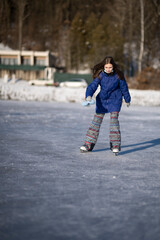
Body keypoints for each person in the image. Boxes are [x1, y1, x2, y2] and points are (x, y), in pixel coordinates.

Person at [80, 56, 131, 154]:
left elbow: (124, 87)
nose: (108, 69)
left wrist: (127, 99)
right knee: (96, 122)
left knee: (114, 122)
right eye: (106, 67)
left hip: (115, 100)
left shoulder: (118, 75)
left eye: (110, 67)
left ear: (113, 67)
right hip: (102, 100)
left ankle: (115, 145)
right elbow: (92, 86)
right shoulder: (100, 75)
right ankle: (88, 144)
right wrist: (89, 95)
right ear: (104, 67)